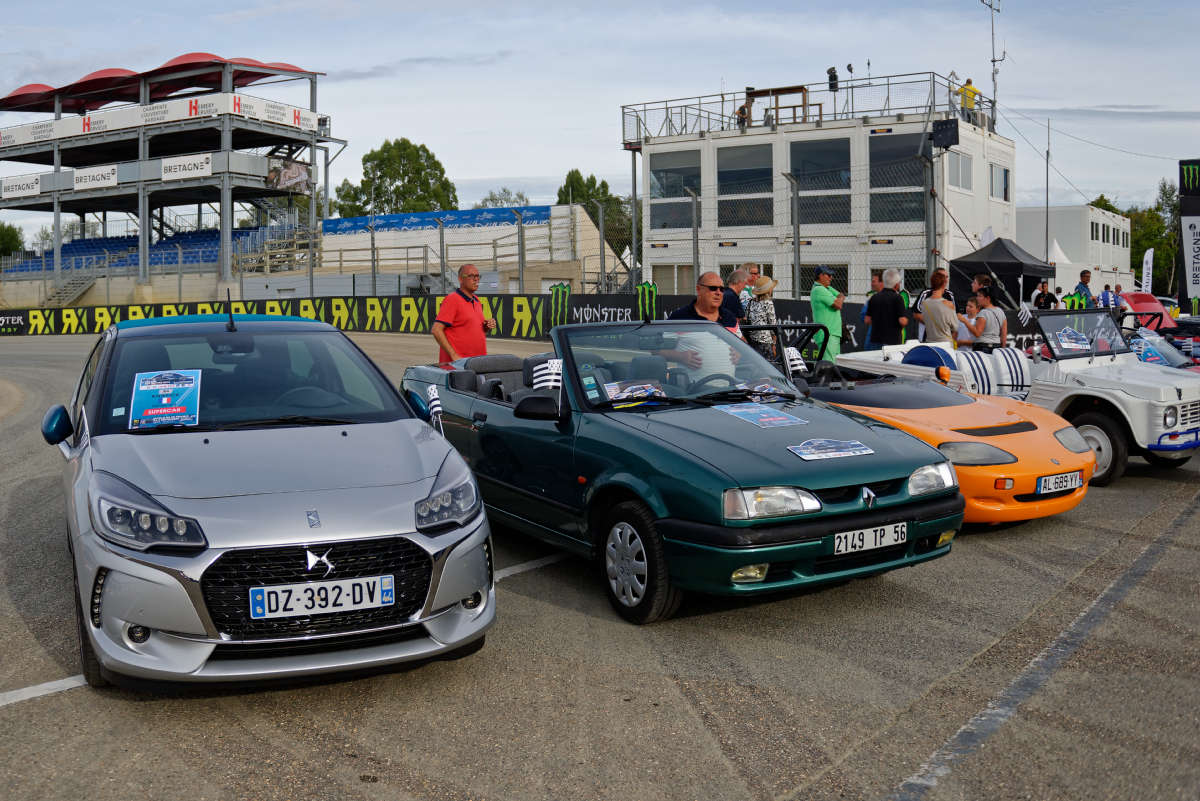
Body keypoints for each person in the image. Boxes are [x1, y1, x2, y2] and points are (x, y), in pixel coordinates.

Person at [431, 263, 497, 362]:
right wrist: (454, 355)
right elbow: (436, 330)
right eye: (471, 276)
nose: (476, 279)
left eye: (477, 276)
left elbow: (472, 329)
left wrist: (486, 326)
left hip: (477, 362)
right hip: (458, 366)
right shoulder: (452, 299)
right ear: (461, 279)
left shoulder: (476, 300)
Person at [864, 268, 909, 346]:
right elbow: (902, 320)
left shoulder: (874, 297)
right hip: (892, 339)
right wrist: (906, 321)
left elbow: (867, 320)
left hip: (875, 339)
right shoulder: (898, 298)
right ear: (896, 285)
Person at [810, 265, 845, 358]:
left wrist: (840, 298)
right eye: (828, 275)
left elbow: (840, 295)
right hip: (828, 334)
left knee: (832, 366)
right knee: (829, 367)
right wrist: (840, 298)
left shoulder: (826, 288)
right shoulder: (819, 289)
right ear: (821, 275)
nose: (831, 278)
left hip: (832, 334)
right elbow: (838, 304)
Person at [912, 268, 956, 339]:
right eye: (942, 277)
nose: (945, 279)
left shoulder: (950, 295)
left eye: (946, 277)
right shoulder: (925, 293)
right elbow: (916, 314)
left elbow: (955, 316)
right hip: (927, 336)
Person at [963, 285, 1006, 352]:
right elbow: (1004, 334)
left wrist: (964, 321)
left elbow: (977, 333)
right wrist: (1003, 350)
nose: (977, 298)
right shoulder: (1000, 311)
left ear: (988, 298)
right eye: (977, 296)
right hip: (997, 347)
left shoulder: (983, 313)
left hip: (983, 347)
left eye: (980, 296)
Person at [745, 275, 779, 359]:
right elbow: (773, 325)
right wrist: (774, 343)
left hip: (752, 340)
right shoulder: (768, 303)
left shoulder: (751, 302)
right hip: (765, 341)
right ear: (768, 290)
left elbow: (747, 317)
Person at [921, 271, 958, 345]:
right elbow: (955, 328)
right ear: (944, 284)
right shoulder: (948, 304)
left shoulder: (924, 303)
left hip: (929, 343)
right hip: (945, 344)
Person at [861, 271, 885, 350]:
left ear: (882, 283)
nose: (872, 284)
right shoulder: (871, 298)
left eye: (874, 281)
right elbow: (864, 318)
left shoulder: (893, 297)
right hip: (873, 337)